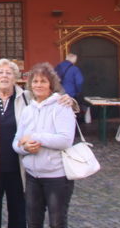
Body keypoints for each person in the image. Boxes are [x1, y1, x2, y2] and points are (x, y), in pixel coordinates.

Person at [0, 59, 75, 228]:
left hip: (19, 166)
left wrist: (70, 101)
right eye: (0, 73)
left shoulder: (27, 97)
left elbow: (50, 98)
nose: (4, 76)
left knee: (19, 214)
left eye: (8, 73)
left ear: (15, 77)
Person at [13, 63, 76, 228]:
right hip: (33, 176)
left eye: (43, 81)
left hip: (56, 176)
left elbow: (65, 140)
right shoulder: (28, 110)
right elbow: (17, 141)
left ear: (51, 84)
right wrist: (25, 148)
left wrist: (35, 137)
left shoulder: (61, 106)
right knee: (33, 222)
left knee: (57, 222)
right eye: (35, 81)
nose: (38, 85)